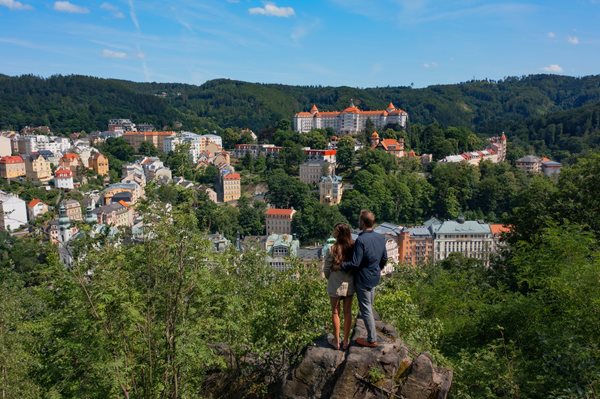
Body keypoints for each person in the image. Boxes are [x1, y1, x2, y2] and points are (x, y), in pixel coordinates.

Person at [342, 210, 387, 348]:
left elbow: (355, 263)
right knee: (369, 305)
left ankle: (372, 339)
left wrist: (342, 265)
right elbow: (384, 258)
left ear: (362, 222)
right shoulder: (380, 237)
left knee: (366, 308)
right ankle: (369, 327)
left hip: (363, 278)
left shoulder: (361, 240)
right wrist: (377, 268)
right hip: (375, 276)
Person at [323, 223, 355, 350]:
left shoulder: (332, 248)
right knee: (348, 312)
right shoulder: (352, 248)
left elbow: (326, 269)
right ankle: (346, 341)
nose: (333, 232)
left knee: (335, 311)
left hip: (335, 282)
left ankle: (336, 341)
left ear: (339, 233)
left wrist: (330, 277)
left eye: (335, 231)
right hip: (349, 283)